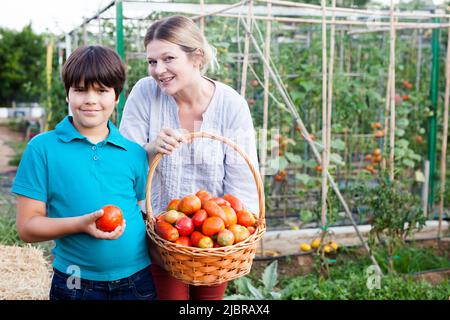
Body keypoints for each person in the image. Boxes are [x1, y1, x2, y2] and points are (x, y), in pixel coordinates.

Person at [119, 15, 259, 300]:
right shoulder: (145, 93)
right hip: (160, 232)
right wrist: (150, 149)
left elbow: (243, 184)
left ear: (196, 57)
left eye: (168, 58)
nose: (158, 70)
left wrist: (234, 234)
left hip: (216, 239)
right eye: (152, 61)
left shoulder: (231, 105)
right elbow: (122, 168)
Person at [12, 45, 156, 300]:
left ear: (116, 97)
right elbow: (27, 227)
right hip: (75, 280)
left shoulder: (133, 152)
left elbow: (139, 208)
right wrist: (81, 224)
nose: (91, 99)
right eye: (80, 90)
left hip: (138, 280)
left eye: (102, 90)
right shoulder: (42, 149)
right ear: (67, 94)